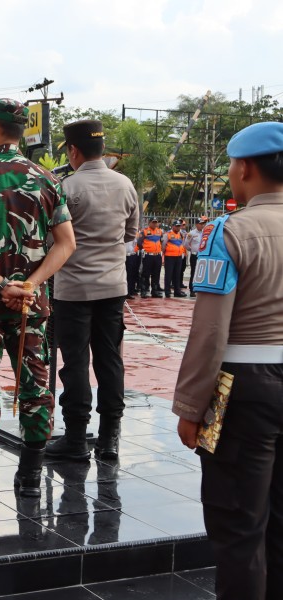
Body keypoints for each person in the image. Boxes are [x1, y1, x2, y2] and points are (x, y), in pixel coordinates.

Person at [174, 121, 283, 600]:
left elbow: (211, 330)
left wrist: (190, 407)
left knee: (238, 522)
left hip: (244, 387)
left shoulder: (230, 231)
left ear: (244, 168)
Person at [0, 98, 76, 500]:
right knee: (36, 384)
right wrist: (31, 284)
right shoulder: (47, 178)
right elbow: (66, 244)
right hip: (31, 306)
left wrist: (0, 284)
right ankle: (30, 477)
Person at [45, 119, 139, 462]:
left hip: (73, 290)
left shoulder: (67, 188)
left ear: (73, 150)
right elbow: (131, 233)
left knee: (75, 363)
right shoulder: (125, 184)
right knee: (110, 360)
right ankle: (110, 437)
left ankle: (74, 436)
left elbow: (51, 239)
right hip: (113, 287)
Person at [137, 218, 164, 298]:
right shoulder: (144, 231)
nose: (154, 224)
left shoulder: (160, 231)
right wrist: (144, 249)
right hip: (148, 255)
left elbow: (161, 241)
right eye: (153, 222)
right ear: (149, 223)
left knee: (156, 274)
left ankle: (155, 291)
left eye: (156, 222)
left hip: (157, 255)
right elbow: (139, 242)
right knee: (146, 273)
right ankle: (144, 290)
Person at [162, 219, 187, 297]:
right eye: (176, 226)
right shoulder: (168, 234)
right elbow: (163, 245)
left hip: (178, 257)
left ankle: (177, 291)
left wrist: (182, 253)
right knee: (168, 275)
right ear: (173, 226)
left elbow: (182, 244)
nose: (178, 228)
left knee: (177, 274)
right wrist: (164, 254)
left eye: (179, 226)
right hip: (169, 257)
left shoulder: (181, 234)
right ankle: (167, 291)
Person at [184, 215, 208, 297]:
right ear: (197, 224)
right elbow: (186, 244)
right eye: (201, 224)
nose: (202, 225)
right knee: (194, 272)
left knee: (202, 273)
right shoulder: (192, 233)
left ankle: (200, 289)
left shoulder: (205, 233)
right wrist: (192, 250)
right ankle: (192, 290)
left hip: (203, 256)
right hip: (195, 255)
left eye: (203, 224)